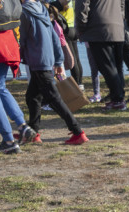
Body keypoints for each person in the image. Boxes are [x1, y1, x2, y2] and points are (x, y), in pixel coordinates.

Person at [18, 0, 88, 145]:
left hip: (37, 60)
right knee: (32, 97)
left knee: (54, 98)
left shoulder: (24, 12)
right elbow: (54, 35)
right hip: (46, 57)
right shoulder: (42, 8)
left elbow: (22, 39)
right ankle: (34, 133)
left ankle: (78, 132)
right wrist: (57, 60)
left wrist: (17, 59)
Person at [77, 0, 126, 109]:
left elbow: (82, 6)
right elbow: (122, 5)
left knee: (107, 66)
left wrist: (81, 27)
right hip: (117, 27)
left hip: (98, 29)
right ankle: (118, 97)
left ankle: (118, 99)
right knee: (117, 67)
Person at [0, 26, 29, 153]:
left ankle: (9, 140)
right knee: (0, 87)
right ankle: (22, 126)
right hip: (7, 42)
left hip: (0, 44)